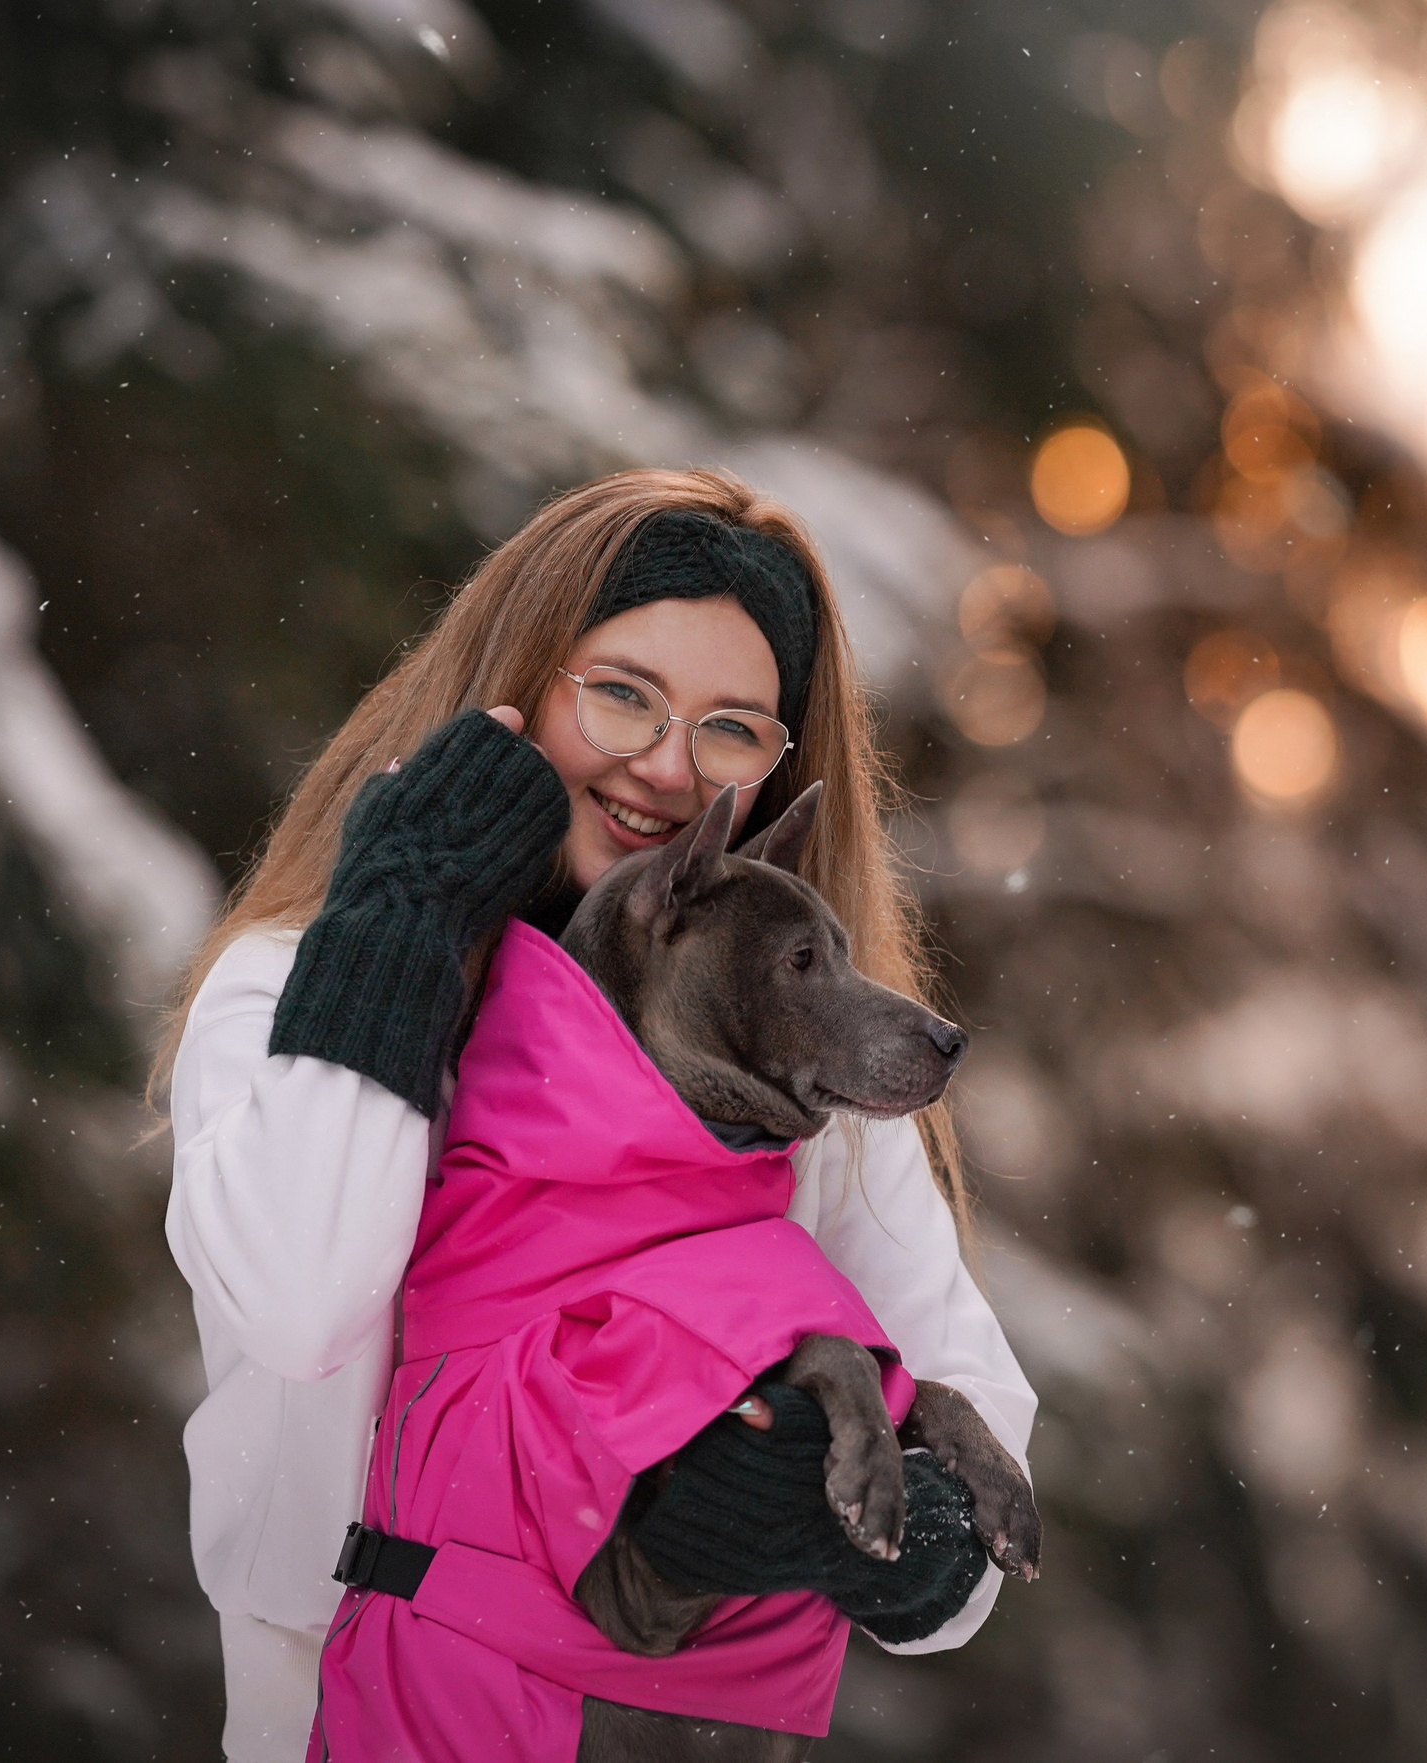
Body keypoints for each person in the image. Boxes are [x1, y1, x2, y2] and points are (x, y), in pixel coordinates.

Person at [157, 468, 1035, 1761]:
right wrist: (403, 911)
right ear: (517, 686)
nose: (668, 767)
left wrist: (852, 1528)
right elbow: (300, 1300)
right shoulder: (300, 983)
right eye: (621, 694)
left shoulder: (788, 1085)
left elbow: (965, 1495)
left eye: (733, 729)